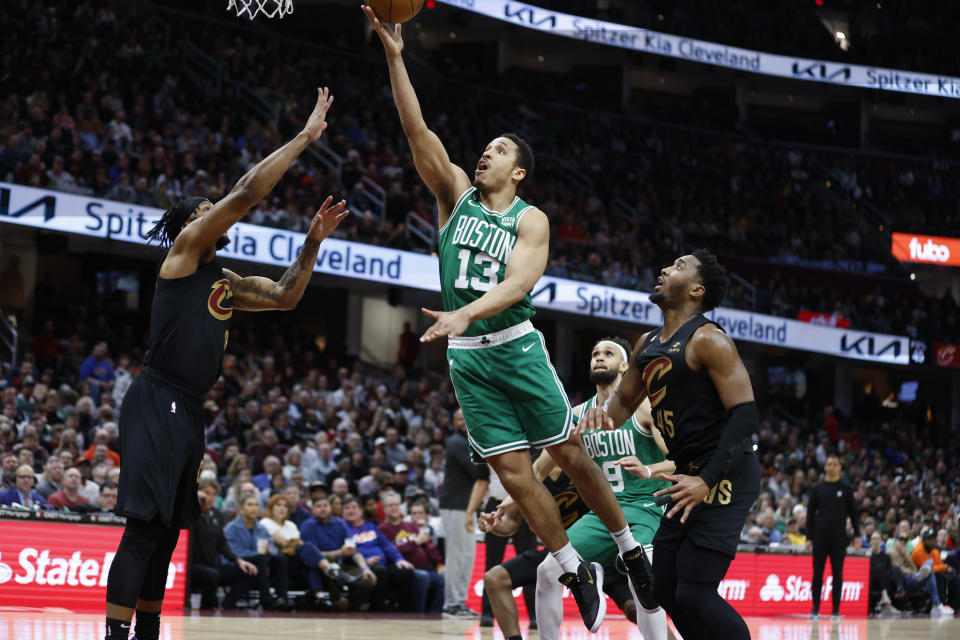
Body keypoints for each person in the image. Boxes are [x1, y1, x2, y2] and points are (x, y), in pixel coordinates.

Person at [363, 8, 650, 632]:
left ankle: (629, 550)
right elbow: (417, 132)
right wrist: (395, 56)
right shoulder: (455, 198)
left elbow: (520, 283)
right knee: (516, 479)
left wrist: (463, 311)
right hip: (468, 358)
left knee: (570, 453)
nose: (484, 155)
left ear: (518, 170)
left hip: (514, 344)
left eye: (497, 151)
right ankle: (574, 568)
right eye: (484, 149)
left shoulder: (529, 218)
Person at [104, 87, 347, 640]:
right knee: (144, 528)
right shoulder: (185, 253)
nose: (216, 211)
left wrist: (310, 243)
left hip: (188, 408)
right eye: (206, 208)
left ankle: (147, 631)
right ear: (193, 221)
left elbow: (287, 296)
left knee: (168, 534)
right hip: (156, 395)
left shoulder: (226, 282)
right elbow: (245, 191)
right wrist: (305, 138)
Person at [580, 251, 761, 640]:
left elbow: (745, 416)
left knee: (694, 592)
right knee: (662, 589)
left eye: (678, 266)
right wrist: (603, 414)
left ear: (697, 290)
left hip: (724, 472)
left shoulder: (708, 339)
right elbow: (625, 402)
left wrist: (707, 479)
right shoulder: (645, 344)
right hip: (688, 473)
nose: (664, 268)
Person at [537, 338, 671, 640]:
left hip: (645, 508)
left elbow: (679, 460)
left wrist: (649, 469)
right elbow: (539, 469)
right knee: (547, 570)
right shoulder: (578, 415)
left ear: (625, 366)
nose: (599, 358)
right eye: (595, 353)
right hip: (602, 514)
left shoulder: (644, 408)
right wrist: (510, 501)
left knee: (644, 583)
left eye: (608, 353)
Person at [479, 452, 637, 640]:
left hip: (599, 553)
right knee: (494, 579)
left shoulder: (581, 464)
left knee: (636, 609)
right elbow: (510, 523)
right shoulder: (532, 475)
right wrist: (495, 526)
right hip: (557, 555)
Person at [473, 463, 538, 627]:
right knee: (491, 563)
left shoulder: (528, 443)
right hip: (495, 503)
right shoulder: (487, 446)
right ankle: (487, 613)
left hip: (524, 505)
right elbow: (481, 481)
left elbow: (537, 477)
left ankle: (534, 615)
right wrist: (470, 511)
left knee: (530, 563)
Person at [437, 408, 483, 618]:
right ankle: (452, 605)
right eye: (457, 418)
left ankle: (459, 603)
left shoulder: (467, 441)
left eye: (465, 417)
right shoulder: (456, 442)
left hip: (465, 506)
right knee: (457, 557)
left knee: (466, 556)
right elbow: (476, 471)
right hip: (456, 505)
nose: (462, 421)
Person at [340, 496, 420, 611]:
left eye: (354, 507)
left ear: (361, 511)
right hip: (359, 565)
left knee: (405, 571)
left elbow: (386, 544)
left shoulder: (371, 526)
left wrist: (398, 559)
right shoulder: (342, 528)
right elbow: (349, 552)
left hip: (383, 563)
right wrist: (366, 562)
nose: (351, 510)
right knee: (380, 571)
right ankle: (378, 610)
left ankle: (405, 612)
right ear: (342, 512)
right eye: (347, 508)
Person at [807, 455, 861, 618]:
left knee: (838, 574)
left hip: (839, 538)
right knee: (817, 574)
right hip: (820, 537)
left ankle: (836, 610)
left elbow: (854, 514)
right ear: (825, 467)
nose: (831, 467)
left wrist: (857, 535)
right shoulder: (817, 489)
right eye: (829, 464)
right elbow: (810, 515)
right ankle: (815, 608)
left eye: (834, 464)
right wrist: (809, 537)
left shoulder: (845, 489)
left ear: (839, 468)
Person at [298, 496, 375, 611]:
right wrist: (339, 553)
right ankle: (337, 601)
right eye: (318, 506)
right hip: (323, 565)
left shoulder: (339, 523)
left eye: (325, 505)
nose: (322, 509)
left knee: (367, 580)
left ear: (330, 507)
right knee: (331, 564)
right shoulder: (307, 525)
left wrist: (365, 568)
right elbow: (312, 553)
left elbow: (353, 550)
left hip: (345, 564)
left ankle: (349, 607)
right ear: (312, 509)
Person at [189, 488, 259, 609]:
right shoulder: (191, 515)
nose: (210, 498)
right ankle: (208, 606)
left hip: (214, 566)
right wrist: (197, 501)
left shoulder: (217, 514)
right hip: (192, 566)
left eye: (213, 494)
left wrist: (238, 560)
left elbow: (222, 543)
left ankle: (225, 606)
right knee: (212, 575)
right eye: (206, 494)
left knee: (249, 572)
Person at [223, 493, 294, 611]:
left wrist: (268, 551)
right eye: (249, 505)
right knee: (261, 559)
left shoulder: (261, 528)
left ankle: (282, 597)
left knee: (280, 559)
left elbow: (272, 549)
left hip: (260, 561)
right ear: (241, 508)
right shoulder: (231, 528)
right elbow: (232, 551)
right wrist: (258, 555)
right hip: (237, 563)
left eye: (256, 505)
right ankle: (266, 599)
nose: (253, 508)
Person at [378, 492, 445, 613]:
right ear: (384, 509)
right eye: (390, 505)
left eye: (396, 504)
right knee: (422, 577)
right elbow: (390, 551)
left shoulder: (411, 526)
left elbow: (428, 546)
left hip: (426, 569)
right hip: (403, 570)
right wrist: (415, 542)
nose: (394, 508)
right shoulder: (382, 529)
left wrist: (439, 563)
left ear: (401, 506)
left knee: (443, 579)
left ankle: (434, 615)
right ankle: (417, 615)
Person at [887, 532, 943, 615]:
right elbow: (897, 570)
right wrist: (914, 571)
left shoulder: (904, 552)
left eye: (905, 541)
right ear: (895, 541)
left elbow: (913, 567)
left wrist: (906, 555)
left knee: (930, 565)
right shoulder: (891, 552)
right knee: (928, 573)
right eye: (900, 540)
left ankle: (936, 605)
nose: (903, 542)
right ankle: (936, 604)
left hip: (911, 577)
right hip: (902, 580)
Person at [911, 528, 958, 614]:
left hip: (928, 577)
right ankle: (939, 604)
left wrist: (947, 568)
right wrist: (945, 567)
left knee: (952, 576)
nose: (932, 541)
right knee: (935, 572)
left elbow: (939, 565)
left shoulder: (934, 551)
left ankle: (955, 606)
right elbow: (925, 570)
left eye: (933, 539)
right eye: (929, 539)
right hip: (917, 578)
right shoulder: (918, 550)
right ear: (924, 540)